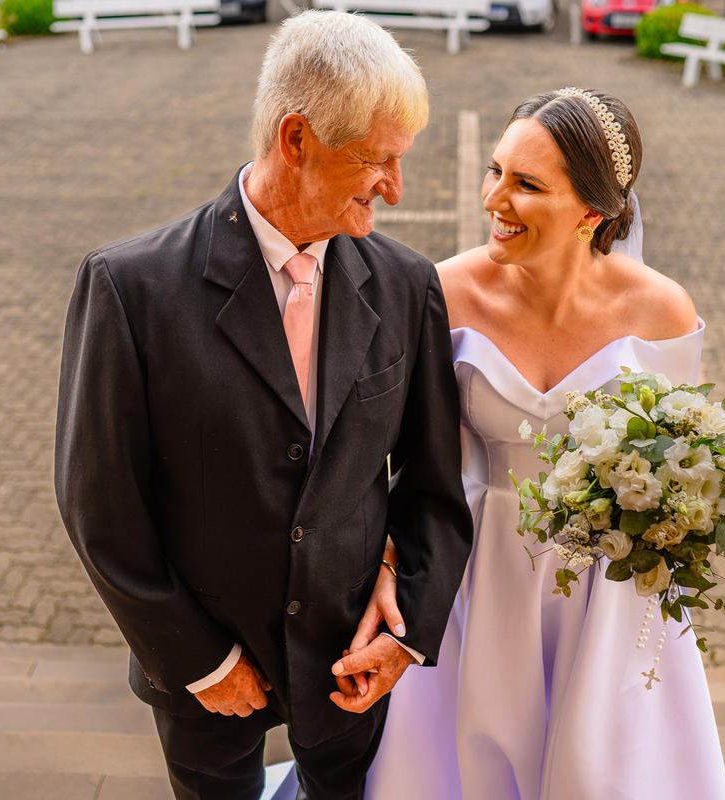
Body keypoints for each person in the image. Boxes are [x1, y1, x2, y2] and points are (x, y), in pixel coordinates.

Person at [54, 11, 473, 800]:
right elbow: (99, 505)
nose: (396, 187)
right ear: (296, 139)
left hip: (351, 663)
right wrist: (197, 661)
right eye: (377, 161)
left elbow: (434, 486)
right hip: (204, 672)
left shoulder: (408, 283)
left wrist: (406, 631)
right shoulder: (129, 287)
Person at [360, 89, 725, 800]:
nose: (495, 197)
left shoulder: (662, 310)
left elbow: (678, 459)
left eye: (526, 184)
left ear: (593, 212)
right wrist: (389, 562)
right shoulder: (446, 291)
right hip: (480, 565)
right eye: (496, 170)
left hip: (605, 583)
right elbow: (407, 456)